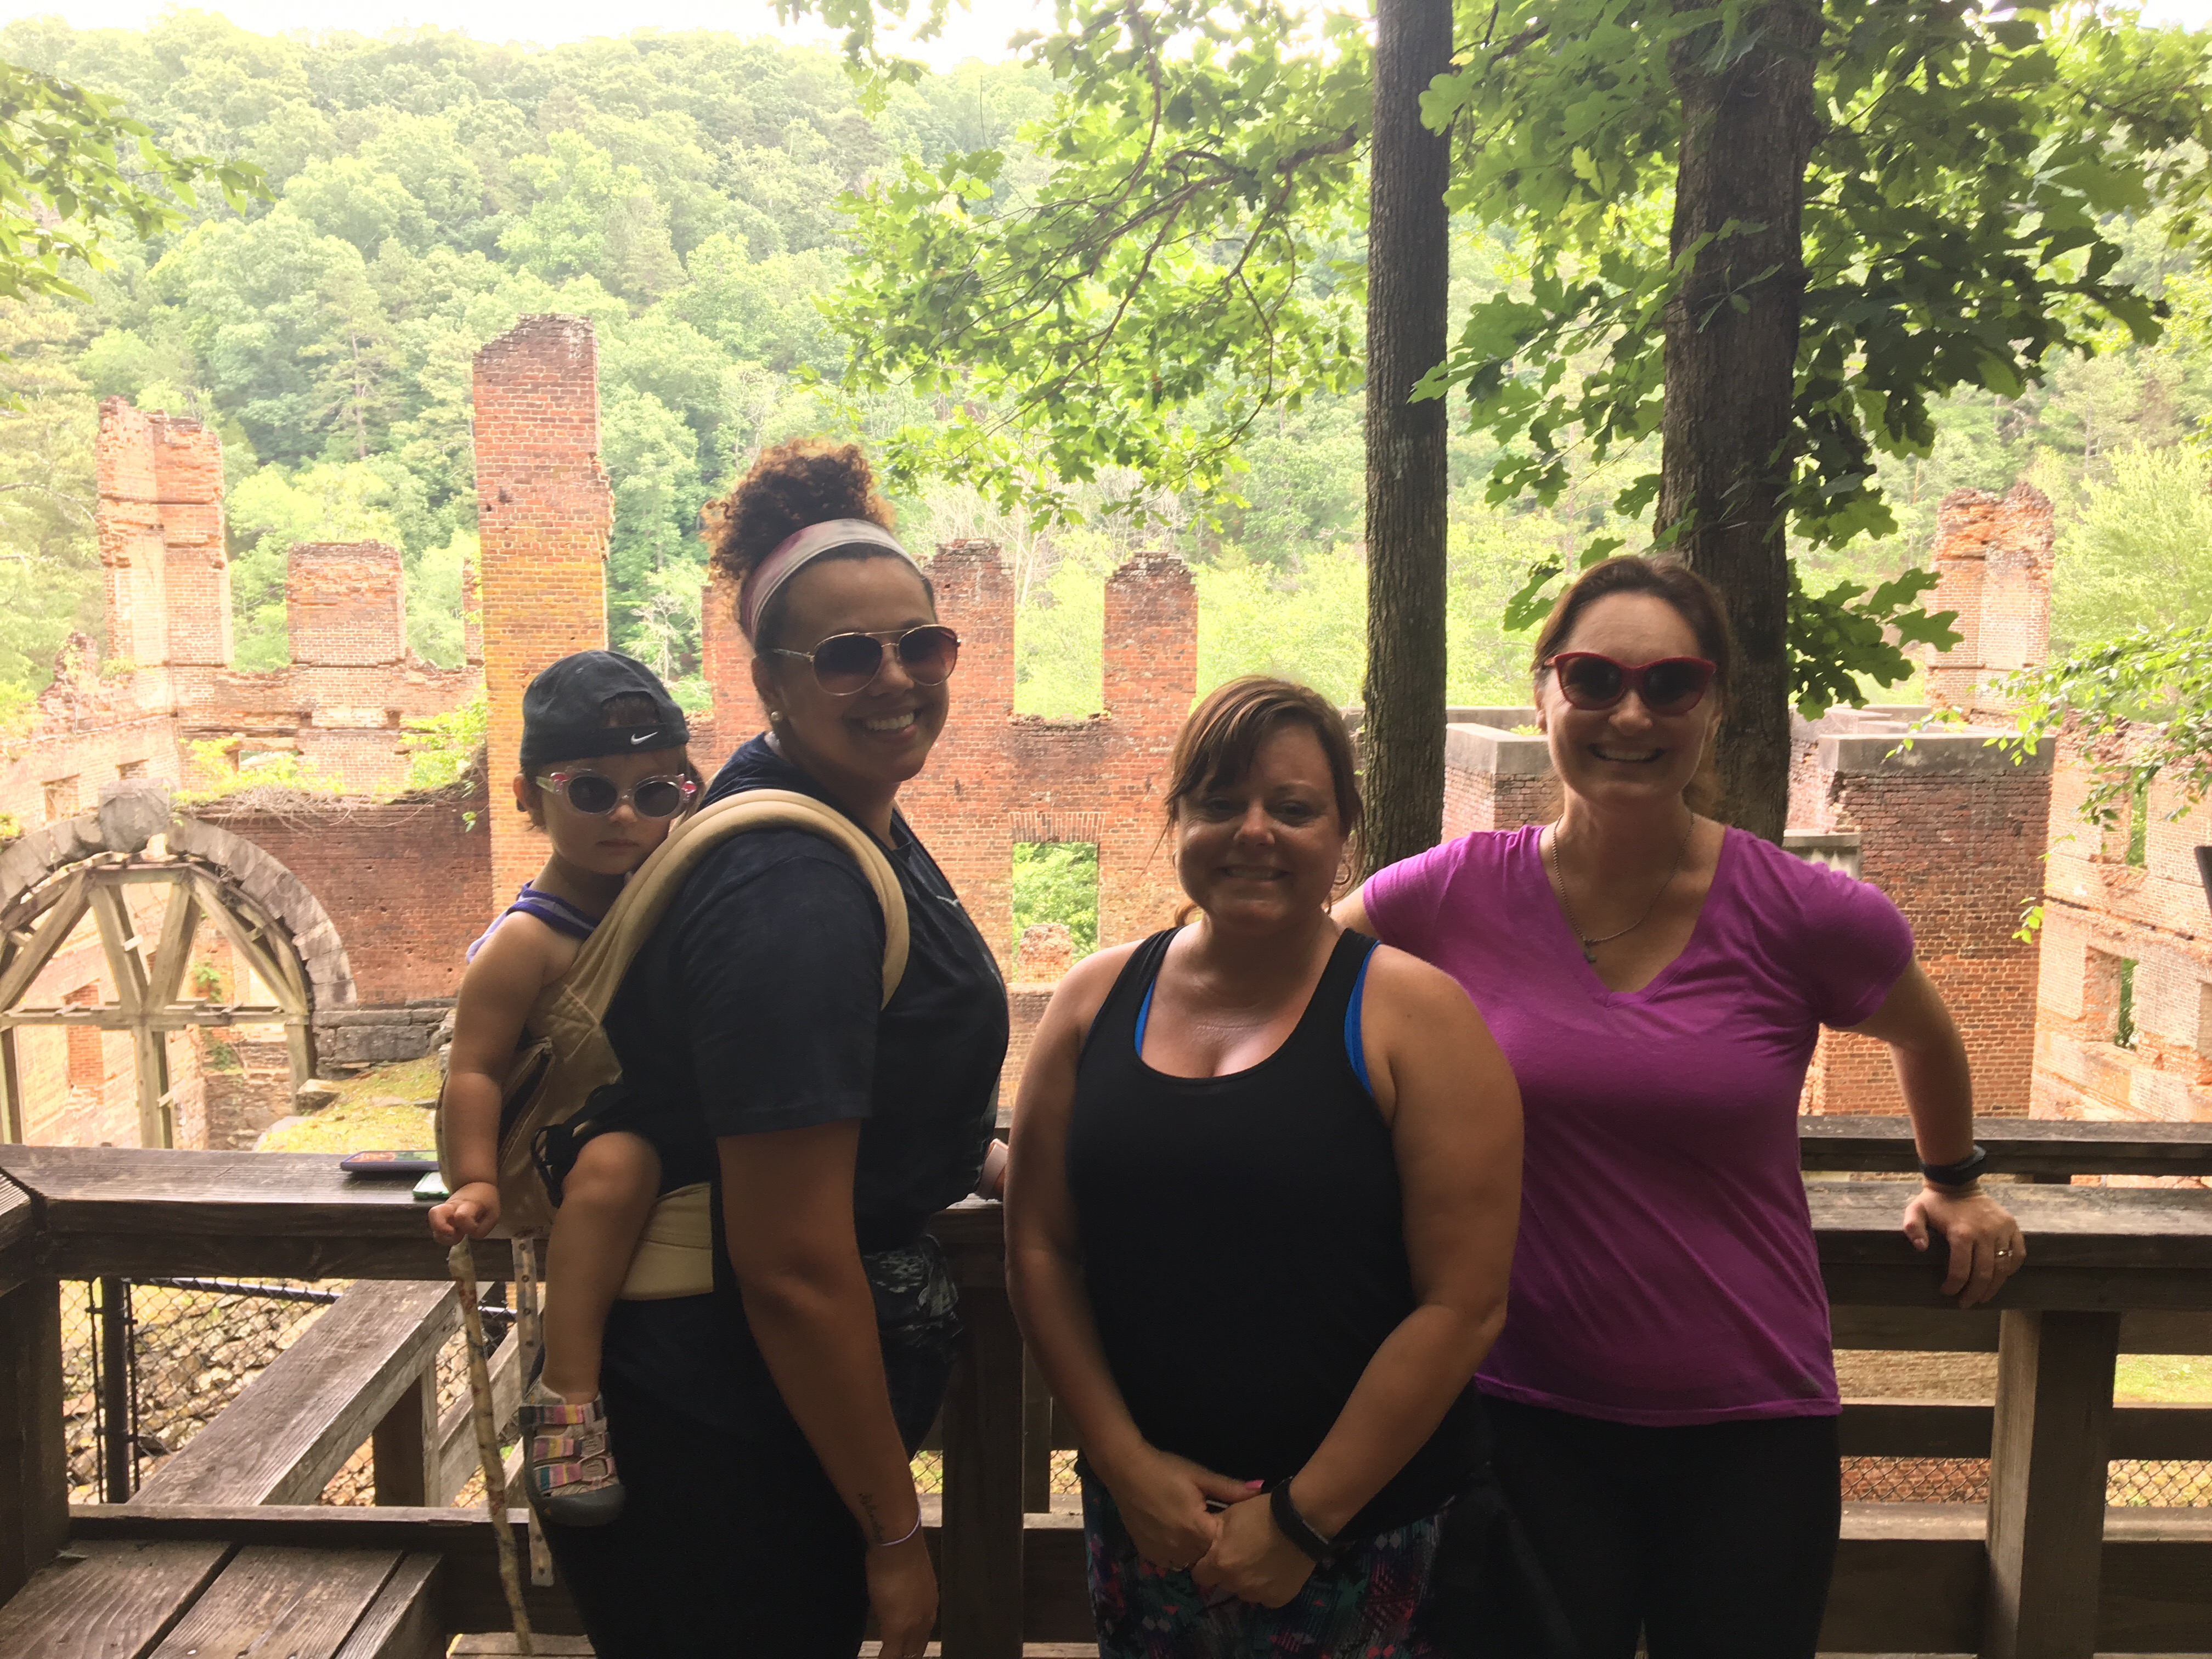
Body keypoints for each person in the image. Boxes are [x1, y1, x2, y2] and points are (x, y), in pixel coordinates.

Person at [1336, 555, 2029, 1659]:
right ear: (1543, 693)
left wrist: (1953, 1181)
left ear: (1714, 708)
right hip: (1523, 1414)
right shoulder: (1456, 891)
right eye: (1593, 677)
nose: (1630, 714)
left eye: (1670, 685)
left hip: (1751, 1426)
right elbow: (1297, 972)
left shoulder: (1799, 909)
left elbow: (1925, 1035)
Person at [539, 439, 1008, 1659]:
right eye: (848, 655)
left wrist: (982, 1153)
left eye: (923, 645)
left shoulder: (846, 815)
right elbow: (792, 1262)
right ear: (771, 684)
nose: (895, 678)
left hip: (761, 1418)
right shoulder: (788, 885)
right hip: (726, 1438)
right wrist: (895, 1535)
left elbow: (867, 1078)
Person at [1006, 676, 1528, 1658]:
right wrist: (1123, 1462)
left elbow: (1463, 1304)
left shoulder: (1420, 1018)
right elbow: (1038, 1246)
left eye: (1293, 808)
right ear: (1177, 820)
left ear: (1344, 836)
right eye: (1220, 802)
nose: (1254, 832)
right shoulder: (1091, 1002)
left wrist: (1300, 1520)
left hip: (1364, 1537)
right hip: (1148, 1528)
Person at [428, 650, 697, 1526]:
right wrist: (475, 1180)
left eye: (654, 794)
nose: (623, 814)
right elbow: (474, 1067)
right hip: (553, 1147)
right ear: (527, 796)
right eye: (590, 791)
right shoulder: (529, 941)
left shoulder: (660, 902)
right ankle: (567, 1392)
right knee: (622, 1163)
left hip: (636, 1128)